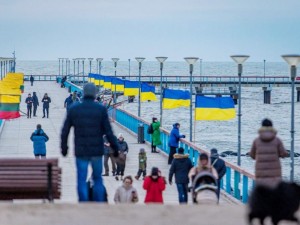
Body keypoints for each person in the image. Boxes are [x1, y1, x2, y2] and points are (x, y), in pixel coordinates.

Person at [61, 82, 119, 202]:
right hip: (97, 151)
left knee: (81, 178)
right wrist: (116, 148)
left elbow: (65, 130)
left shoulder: (75, 108)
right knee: (97, 178)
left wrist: (64, 147)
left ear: (83, 93)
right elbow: (109, 132)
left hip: (81, 151)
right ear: (94, 94)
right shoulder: (101, 109)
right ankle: (97, 203)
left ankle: (83, 202)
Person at [249, 118, 288, 188]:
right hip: (275, 174)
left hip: (260, 173)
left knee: (262, 194)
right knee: (274, 194)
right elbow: (283, 154)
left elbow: (252, 155)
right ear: (272, 127)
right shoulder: (277, 140)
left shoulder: (256, 141)